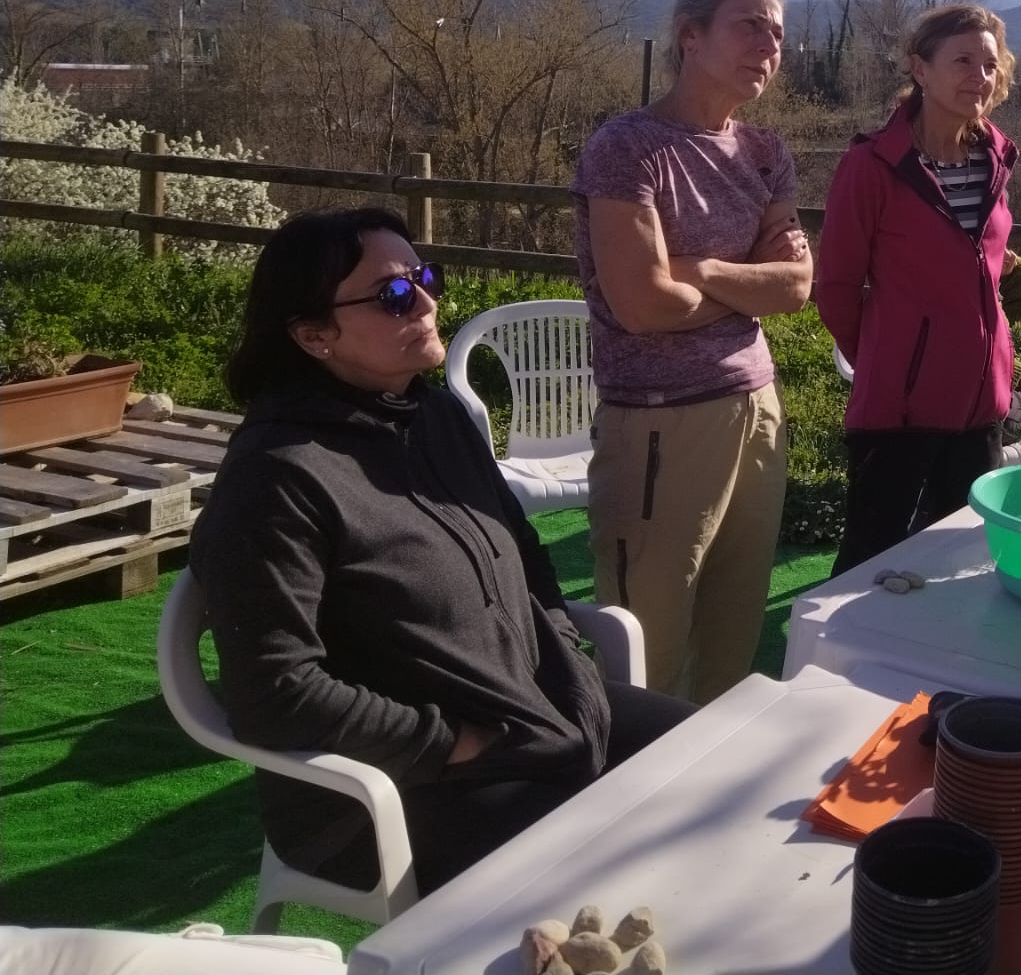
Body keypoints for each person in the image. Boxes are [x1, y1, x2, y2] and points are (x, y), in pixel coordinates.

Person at [190, 209, 693, 896]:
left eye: (424, 277)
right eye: (392, 295)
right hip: (394, 789)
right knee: (638, 866)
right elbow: (274, 693)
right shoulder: (276, 476)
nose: (428, 302)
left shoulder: (434, 415)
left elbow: (519, 545)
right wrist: (455, 742)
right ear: (314, 336)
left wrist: (563, 653)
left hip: (532, 714)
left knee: (723, 763)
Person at [573, 0, 809, 705]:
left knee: (731, 640)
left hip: (757, 410)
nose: (769, 43)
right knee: (649, 644)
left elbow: (798, 286)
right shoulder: (629, 148)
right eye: (750, 25)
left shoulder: (766, 153)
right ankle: (625, 804)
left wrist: (702, 269)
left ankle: (703, 799)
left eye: (778, 31)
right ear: (690, 36)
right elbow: (642, 306)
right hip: (659, 421)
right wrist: (746, 287)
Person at [817, 3, 1019, 575]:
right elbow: (835, 285)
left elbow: (987, 271)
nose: (978, 76)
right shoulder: (873, 164)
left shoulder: (996, 159)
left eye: (988, 63)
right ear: (920, 69)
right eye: (962, 60)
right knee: (870, 566)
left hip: (981, 405)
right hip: (899, 411)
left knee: (962, 564)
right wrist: (891, 359)